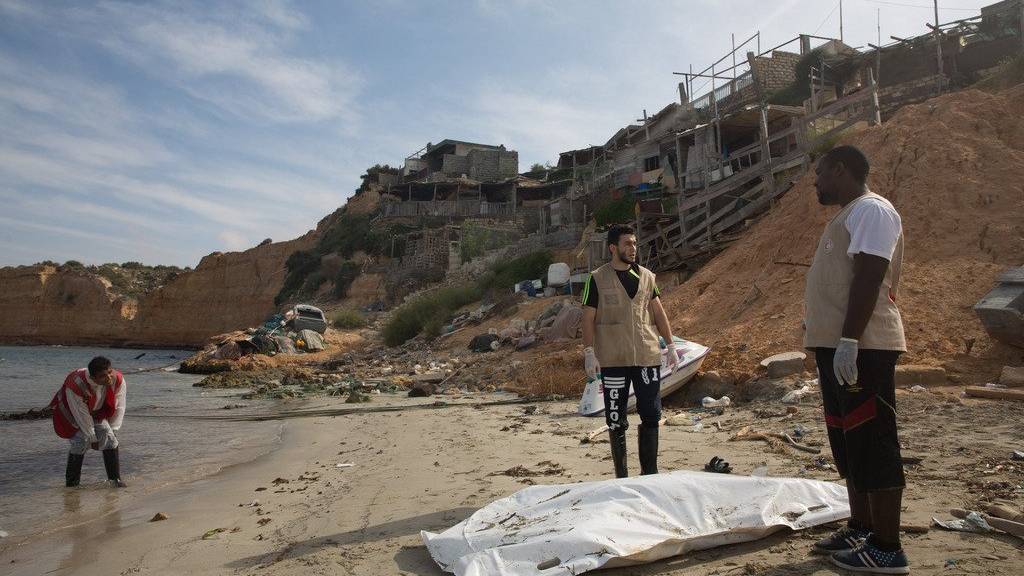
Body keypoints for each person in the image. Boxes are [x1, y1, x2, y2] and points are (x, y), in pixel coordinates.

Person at [804, 145, 909, 574]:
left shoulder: (873, 211)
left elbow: (869, 276)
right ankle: (861, 527)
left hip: (864, 348)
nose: (816, 182)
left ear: (841, 169)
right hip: (838, 348)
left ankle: (887, 547)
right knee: (848, 443)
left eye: (820, 174)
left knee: (873, 439)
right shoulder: (847, 216)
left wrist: (849, 339)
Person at [581, 224, 679, 478]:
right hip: (613, 359)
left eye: (635, 243)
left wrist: (671, 345)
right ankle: (621, 477)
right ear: (613, 248)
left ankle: (650, 474)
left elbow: (658, 312)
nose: (633, 248)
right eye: (627, 244)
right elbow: (588, 318)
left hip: (646, 356)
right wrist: (589, 352)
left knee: (651, 414)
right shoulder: (596, 278)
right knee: (615, 418)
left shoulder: (647, 276)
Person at [50, 356, 128, 488]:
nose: (109, 377)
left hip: (96, 411)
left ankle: (115, 481)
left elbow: (120, 405)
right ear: (93, 377)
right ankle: (72, 487)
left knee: (111, 440)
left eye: (109, 372)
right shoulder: (75, 384)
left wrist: (114, 429)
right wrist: (92, 437)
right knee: (80, 442)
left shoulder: (117, 378)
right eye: (103, 376)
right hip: (71, 412)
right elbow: (81, 414)